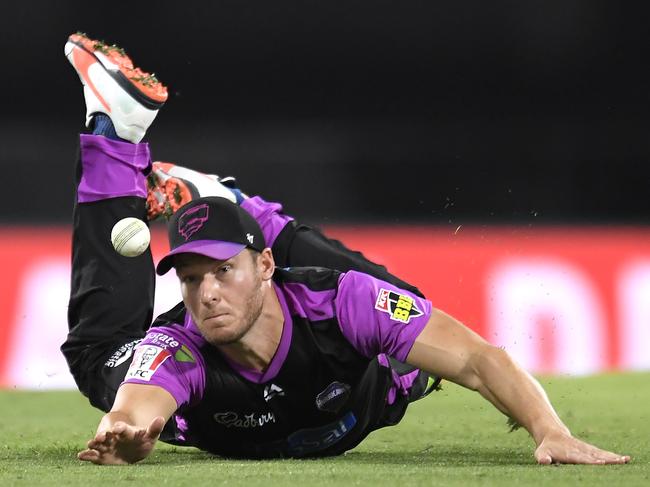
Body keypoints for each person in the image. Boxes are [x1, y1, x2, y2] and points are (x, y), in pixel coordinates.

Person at [62, 33, 630, 466]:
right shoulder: (178, 346)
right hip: (278, 380)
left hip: (359, 371)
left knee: (404, 303)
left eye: (222, 271)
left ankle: (210, 193)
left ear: (265, 266)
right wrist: (126, 437)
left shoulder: (342, 305)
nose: (205, 294)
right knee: (100, 359)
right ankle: (119, 134)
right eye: (189, 278)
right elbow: (135, 406)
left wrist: (549, 429)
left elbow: (480, 360)